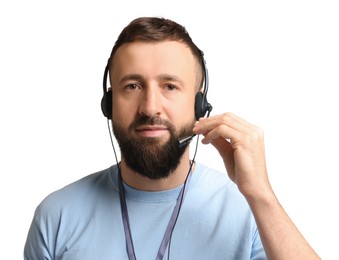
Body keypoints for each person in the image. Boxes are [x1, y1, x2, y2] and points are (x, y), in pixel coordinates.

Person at [24, 17, 320, 260]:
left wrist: (261, 194)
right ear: (109, 104)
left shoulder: (249, 212)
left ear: (199, 105)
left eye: (170, 86)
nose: (150, 107)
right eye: (132, 86)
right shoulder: (57, 217)